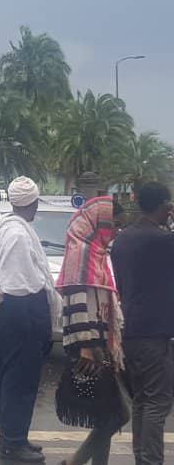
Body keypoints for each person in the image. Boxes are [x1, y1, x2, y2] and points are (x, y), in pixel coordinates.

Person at [0, 176, 60, 463]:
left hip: (15, 313)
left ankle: (13, 436)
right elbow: (19, 282)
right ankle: (12, 442)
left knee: (13, 379)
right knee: (20, 382)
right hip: (20, 312)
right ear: (32, 202)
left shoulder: (8, 228)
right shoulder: (17, 235)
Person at [54, 197, 130, 465]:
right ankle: (74, 463)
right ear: (100, 223)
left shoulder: (95, 250)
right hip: (90, 343)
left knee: (107, 414)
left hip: (100, 341)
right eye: (115, 226)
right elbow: (75, 299)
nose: (117, 232)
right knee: (118, 415)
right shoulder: (81, 252)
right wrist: (87, 346)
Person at [111, 181, 174, 465]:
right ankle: (150, 461)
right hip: (154, 331)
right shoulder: (163, 241)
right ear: (163, 206)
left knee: (142, 399)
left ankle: (142, 458)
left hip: (129, 327)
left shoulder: (123, 238)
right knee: (158, 401)